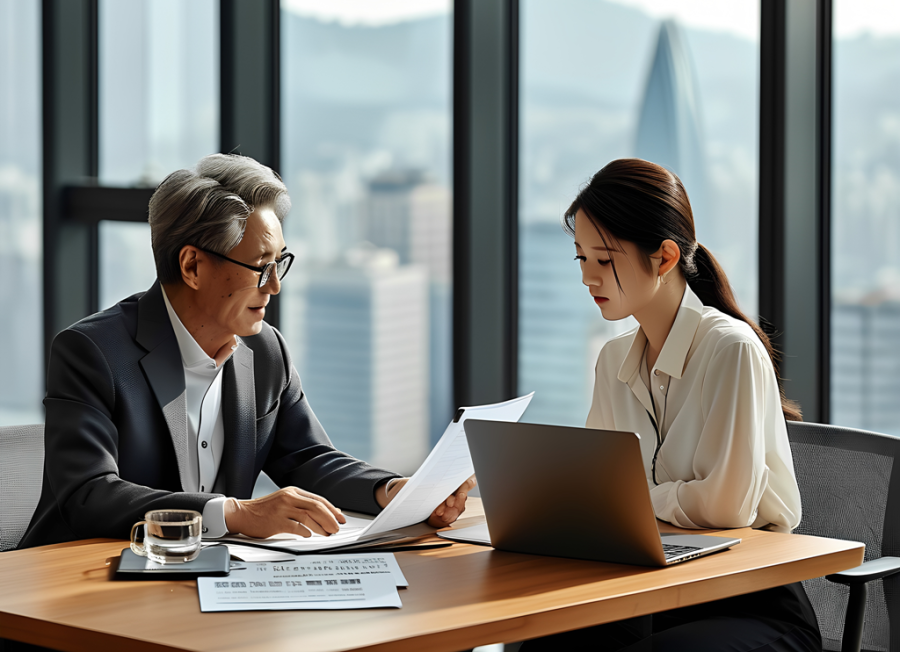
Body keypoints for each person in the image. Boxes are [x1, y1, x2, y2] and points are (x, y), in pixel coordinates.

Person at [20, 153, 473, 549]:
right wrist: (234, 513)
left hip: (203, 584)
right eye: (260, 267)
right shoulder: (93, 352)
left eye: (280, 263)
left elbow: (306, 458)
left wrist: (393, 491)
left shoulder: (265, 351)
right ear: (193, 265)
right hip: (84, 590)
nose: (275, 286)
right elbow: (89, 494)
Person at [520, 159, 819, 651]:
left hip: (750, 602)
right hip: (650, 595)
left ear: (663, 258)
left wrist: (635, 503)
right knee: (542, 645)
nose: (587, 278)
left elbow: (727, 506)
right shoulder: (613, 360)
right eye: (581, 259)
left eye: (604, 259)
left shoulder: (730, 350)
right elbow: (599, 499)